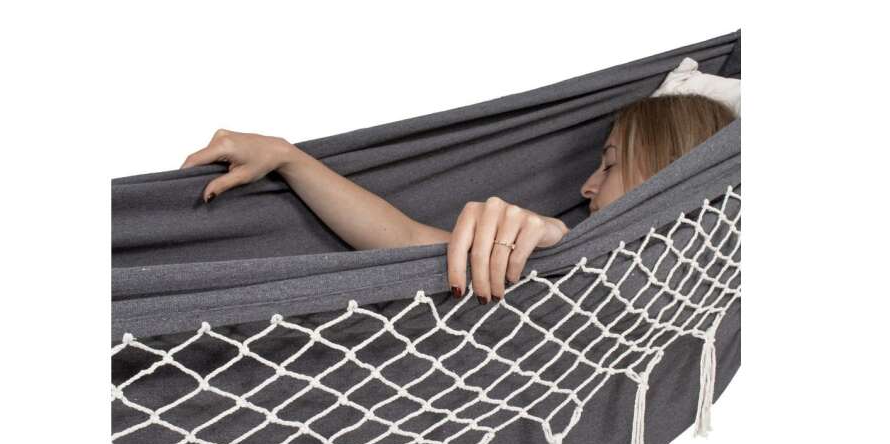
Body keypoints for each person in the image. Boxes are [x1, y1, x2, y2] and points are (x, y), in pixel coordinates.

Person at [181, 94, 735, 304]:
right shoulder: (554, 273)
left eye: (610, 164)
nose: (587, 186)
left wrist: (555, 237)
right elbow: (405, 240)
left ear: (670, 168)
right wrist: (289, 158)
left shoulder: (712, 287)